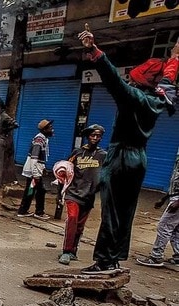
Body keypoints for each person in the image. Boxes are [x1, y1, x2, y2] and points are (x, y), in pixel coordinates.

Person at [78, 28, 179, 274]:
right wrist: (175, 55)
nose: (130, 79)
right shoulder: (158, 100)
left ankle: (103, 261)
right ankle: (113, 259)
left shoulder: (133, 97)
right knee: (126, 212)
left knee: (111, 213)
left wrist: (94, 50)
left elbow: (112, 79)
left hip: (121, 156)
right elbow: (168, 80)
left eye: (133, 77)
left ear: (139, 80)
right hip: (139, 159)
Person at [55, 124, 106, 265]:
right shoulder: (77, 153)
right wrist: (60, 193)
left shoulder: (103, 155)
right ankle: (66, 251)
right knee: (72, 219)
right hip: (73, 194)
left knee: (79, 226)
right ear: (87, 136)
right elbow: (65, 171)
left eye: (98, 135)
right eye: (92, 135)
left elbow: (107, 175)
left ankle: (73, 251)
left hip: (89, 196)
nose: (95, 138)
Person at [136, 154, 179, 268]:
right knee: (175, 230)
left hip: (177, 200)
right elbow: (175, 182)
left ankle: (156, 257)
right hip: (174, 196)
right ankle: (178, 256)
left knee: (164, 227)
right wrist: (164, 198)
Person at [16, 119, 54, 220]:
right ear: (45, 130)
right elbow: (34, 157)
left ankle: (23, 210)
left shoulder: (43, 139)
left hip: (35, 170)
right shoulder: (39, 140)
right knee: (40, 191)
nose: (52, 130)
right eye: (50, 128)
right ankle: (39, 212)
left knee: (31, 190)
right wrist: (36, 173)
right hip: (34, 171)